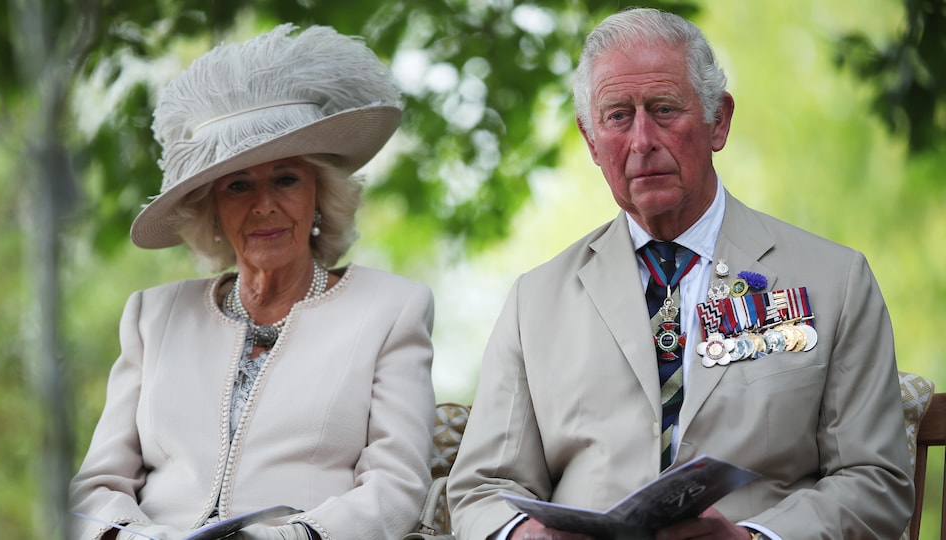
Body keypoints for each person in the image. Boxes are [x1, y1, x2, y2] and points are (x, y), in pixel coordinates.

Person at [447, 7, 913, 540]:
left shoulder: (836, 281)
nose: (642, 139)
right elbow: (482, 488)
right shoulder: (536, 301)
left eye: (665, 109)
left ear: (720, 120)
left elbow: (876, 480)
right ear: (590, 139)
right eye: (617, 116)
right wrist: (523, 534)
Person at [69, 24, 436, 540]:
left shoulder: (391, 309)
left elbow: (397, 488)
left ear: (318, 196)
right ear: (213, 211)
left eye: (286, 179)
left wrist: (288, 537)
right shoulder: (153, 316)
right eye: (239, 186)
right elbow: (96, 487)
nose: (264, 204)